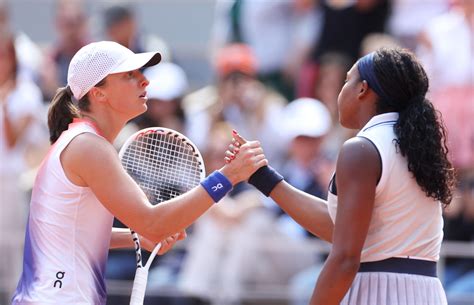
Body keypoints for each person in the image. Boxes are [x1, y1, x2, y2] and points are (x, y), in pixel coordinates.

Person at [11, 41, 267, 305]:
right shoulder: (89, 146)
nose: (145, 81)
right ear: (99, 94)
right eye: (129, 76)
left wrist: (135, 237)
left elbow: (73, 233)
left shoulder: (82, 141)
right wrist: (227, 178)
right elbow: (154, 223)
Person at [227, 48, 455, 305]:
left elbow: (345, 257)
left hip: (377, 292)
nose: (341, 90)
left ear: (363, 89)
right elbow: (340, 227)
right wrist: (263, 177)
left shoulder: (361, 149)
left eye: (347, 80)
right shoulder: (414, 146)